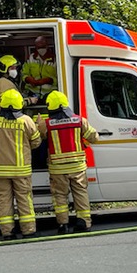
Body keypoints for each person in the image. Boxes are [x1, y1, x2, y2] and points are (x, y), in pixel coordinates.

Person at [0, 89, 42, 240]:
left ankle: (7, 233)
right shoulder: (26, 121)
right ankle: (28, 231)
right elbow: (36, 142)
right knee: (24, 199)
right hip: (21, 170)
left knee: (4, 200)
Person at [36, 90, 99, 234]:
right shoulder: (79, 120)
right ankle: (83, 222)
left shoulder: (47, 124)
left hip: (57, 169)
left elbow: (38, 137)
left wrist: (38, 123)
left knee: (60, 196)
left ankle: (63, 225)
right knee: (80, 193)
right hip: (77, 166)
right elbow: (94, 137)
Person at [23, 36, 57, 102]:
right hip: (32, 93)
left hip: (50, 94)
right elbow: (24, 73)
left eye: (43, 47)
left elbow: (61, 77)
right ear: (36, 47)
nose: (41, 49)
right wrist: (28, 79)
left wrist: (50, 80)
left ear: (47, 46)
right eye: (39, 47)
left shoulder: (55, 59)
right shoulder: (31, 58)